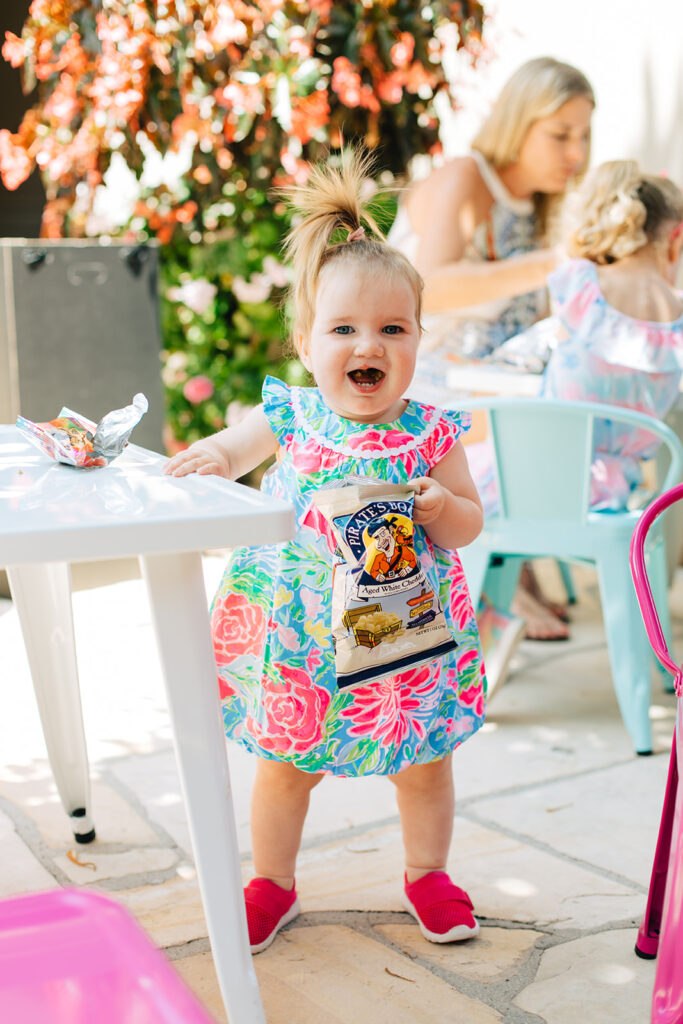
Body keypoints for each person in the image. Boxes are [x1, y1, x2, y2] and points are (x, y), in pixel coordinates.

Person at [164, 150, 487, 954]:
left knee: (424, 764)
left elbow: (469, 522)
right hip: (300, 641)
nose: (365, 345)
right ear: (305, 342)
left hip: (404, 640)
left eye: (390, 329)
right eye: (342, 329)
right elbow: (235, 450)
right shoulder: (293, 416)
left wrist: (445, 506)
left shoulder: (429, 431)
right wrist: (212, 456)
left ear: (416, 340)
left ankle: (426, 871)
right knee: (284, 767)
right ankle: (270, 880)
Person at [389, 56, 595, 640]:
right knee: (531, 424)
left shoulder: (538, 206)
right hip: (422, 381)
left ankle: (508, 576)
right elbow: (425, 290)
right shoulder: (467, 178)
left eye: (583, 136)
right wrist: (548, 265)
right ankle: (499, 584)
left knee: (562, 409)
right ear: (518, 124)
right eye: (559, 135)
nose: (575, 153)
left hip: (488, 383)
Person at [539, 160, 683, 508]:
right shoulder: (677, 323)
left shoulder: (581, 284)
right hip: (621, 497)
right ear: (676, 236)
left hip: (541, 479)